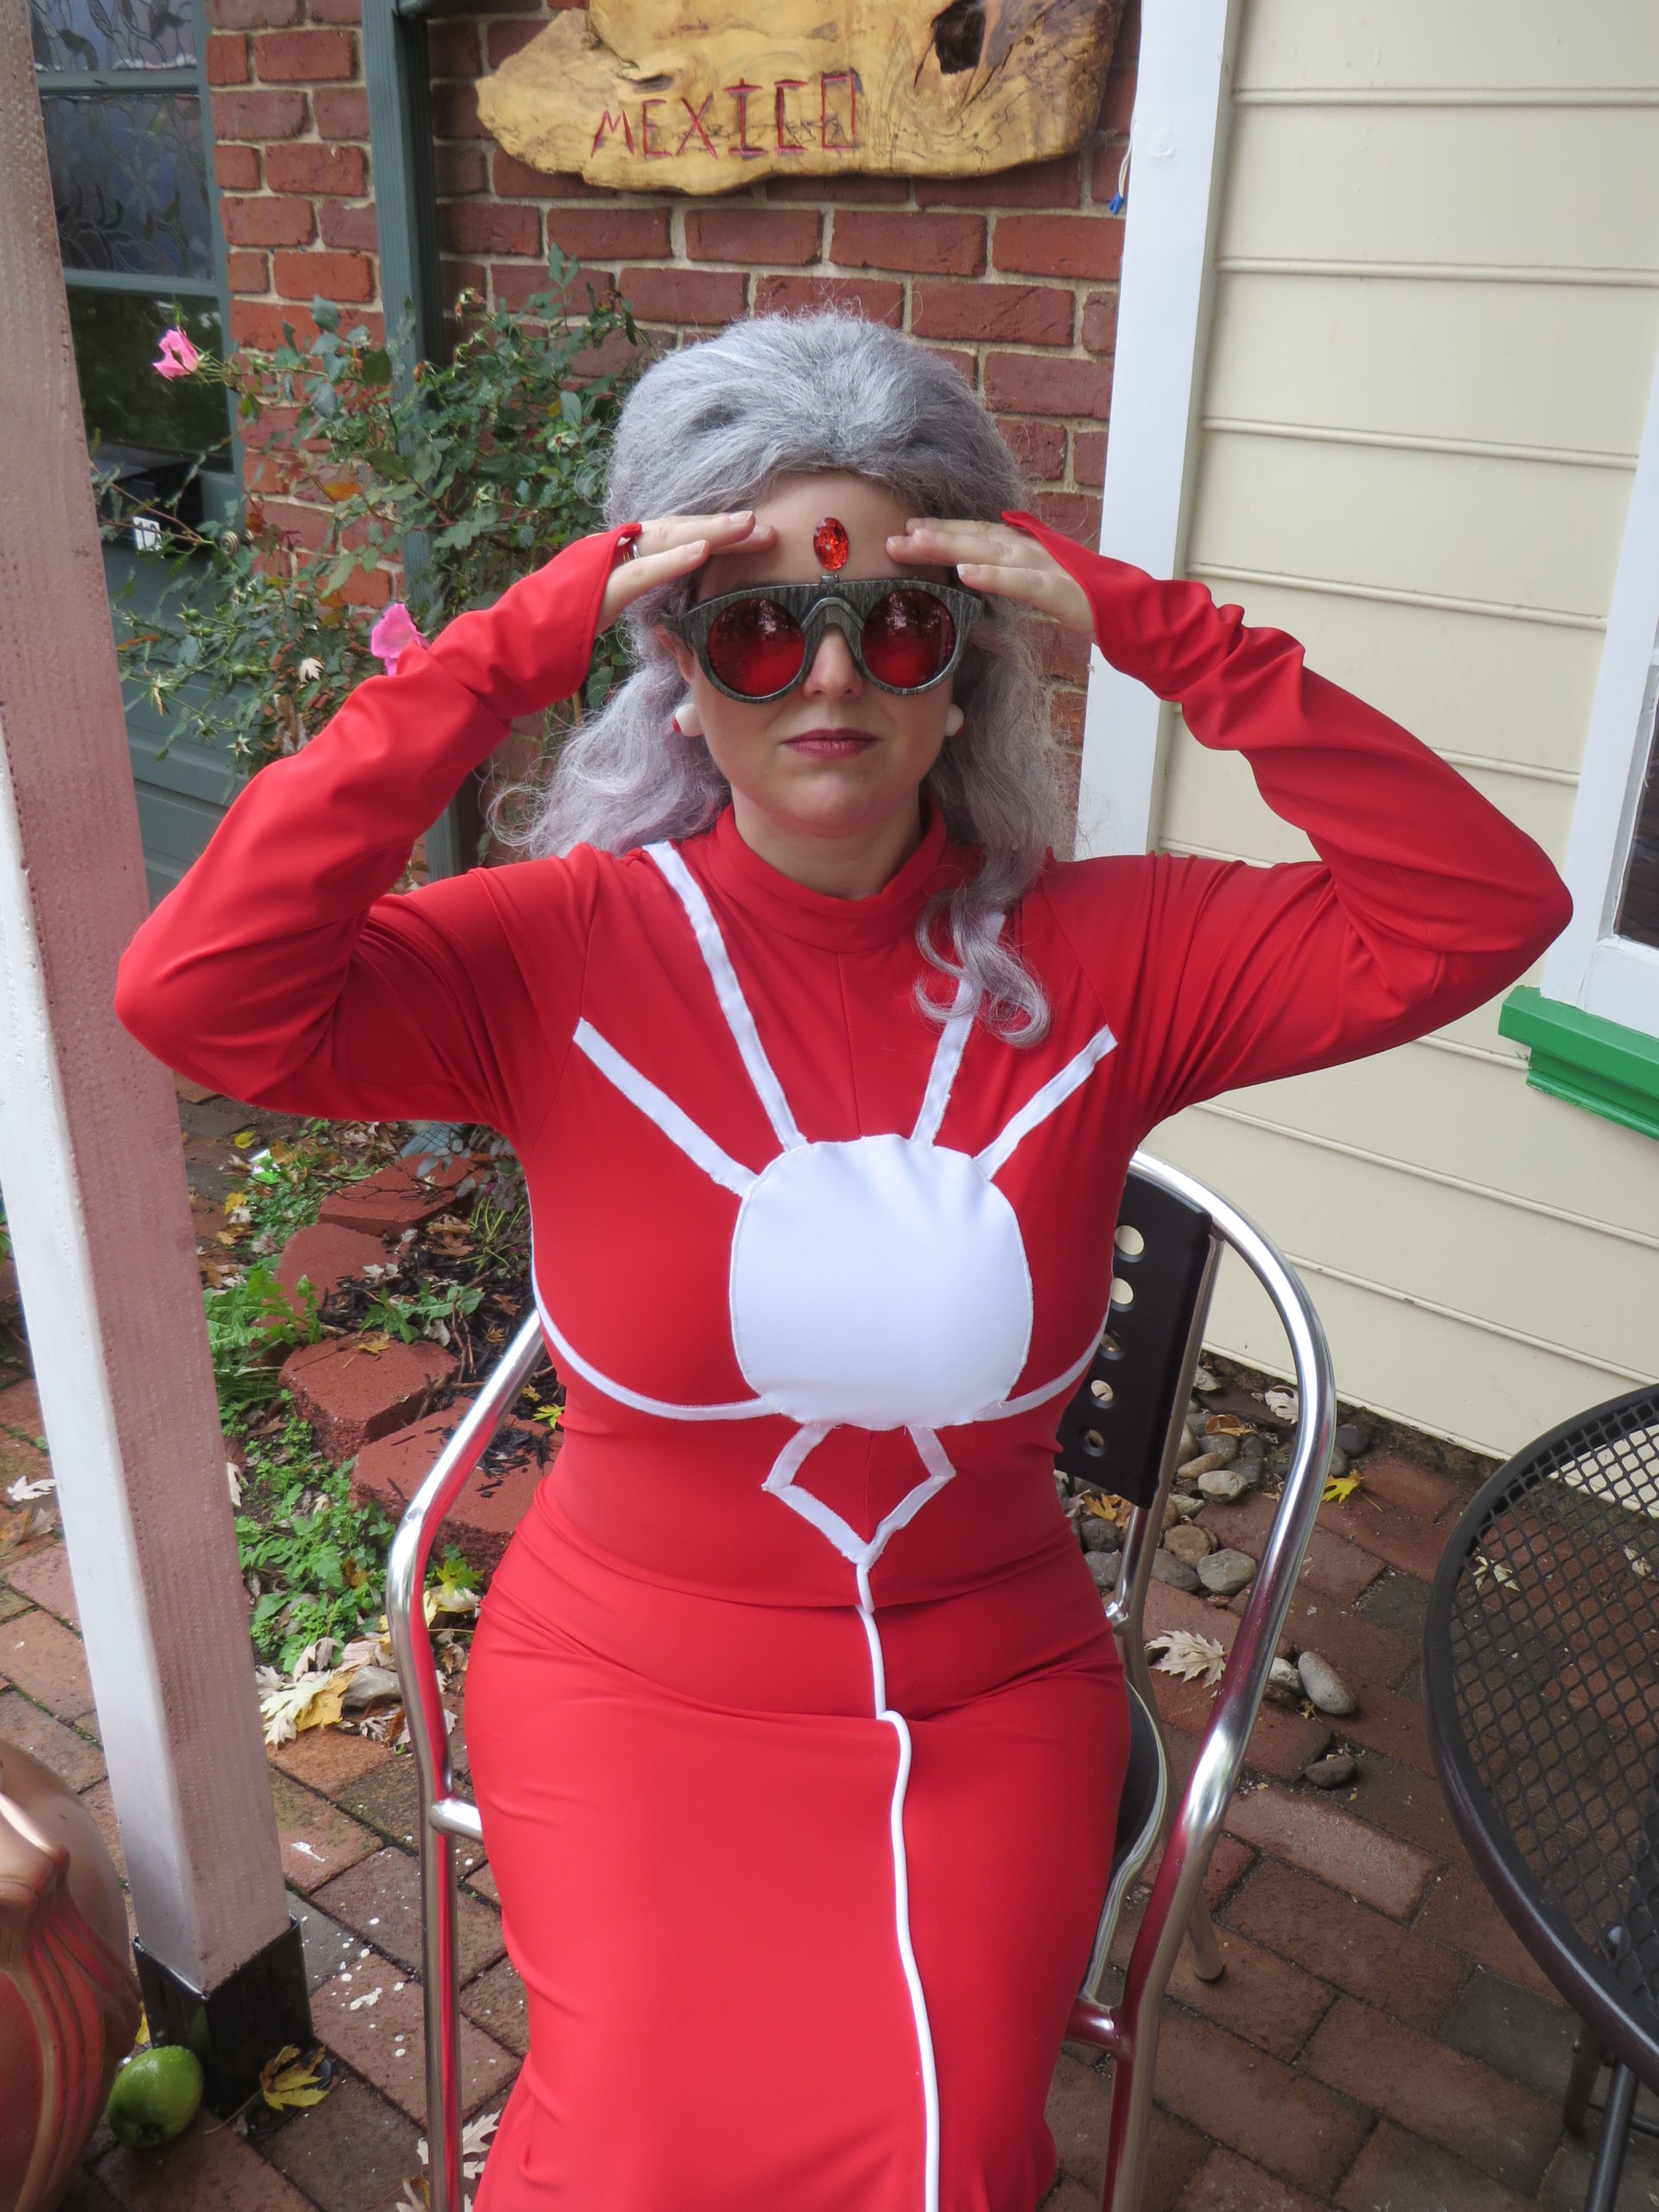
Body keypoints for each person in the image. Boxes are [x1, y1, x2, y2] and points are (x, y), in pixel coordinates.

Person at [114, 312, 1571, 2212]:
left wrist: (1160, 629)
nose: (828, 675)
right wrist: (503, 652)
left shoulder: (1111, 959)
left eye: (897, 623)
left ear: (966, 669)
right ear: (675, 669)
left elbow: (1481, 910)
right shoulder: (553, 955)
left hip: (987, 1688)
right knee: (634, 2156)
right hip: (630, 1680)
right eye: (753, 627)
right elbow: (198, 993)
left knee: (946, 2156)